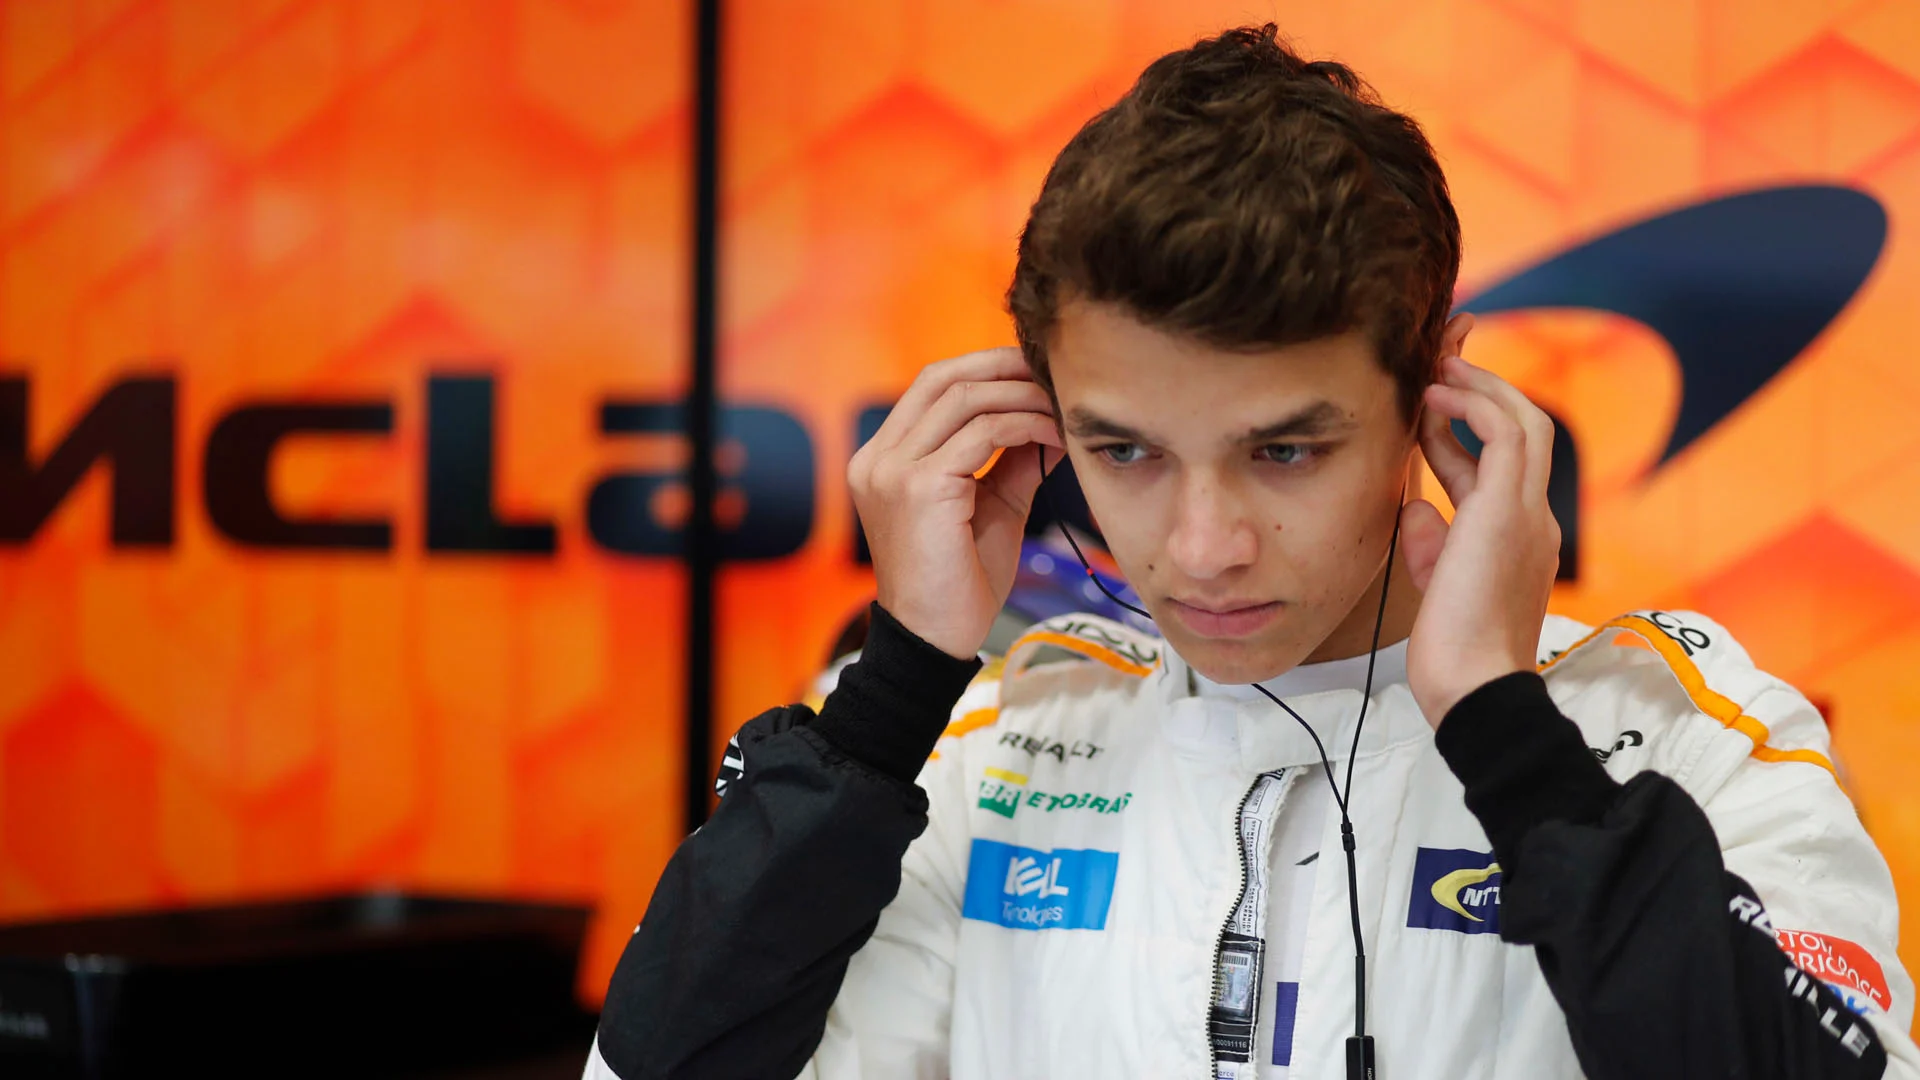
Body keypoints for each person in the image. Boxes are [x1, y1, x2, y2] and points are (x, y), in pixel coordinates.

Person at [585, 24, 1920, 1080]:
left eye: (1284, 451)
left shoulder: (1691, 738)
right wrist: (893, 697)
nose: (1204, 547)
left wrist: (1507, 734)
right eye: (1125, 451)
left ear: (1435, 397)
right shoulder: (974, 750)